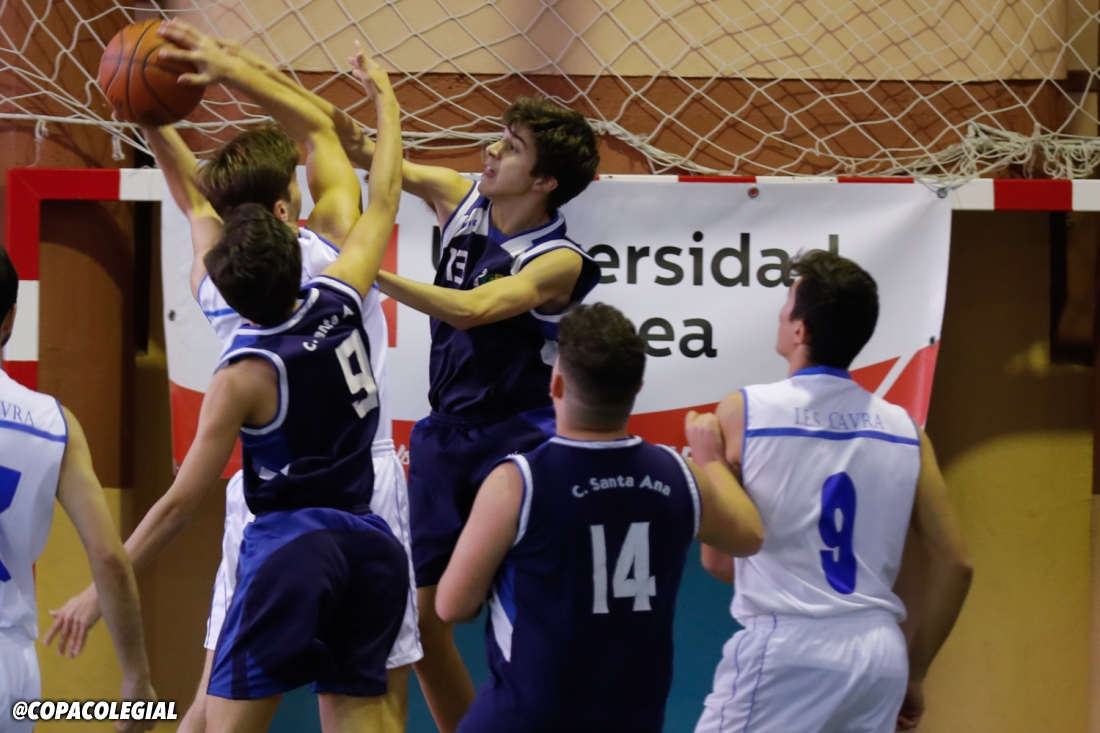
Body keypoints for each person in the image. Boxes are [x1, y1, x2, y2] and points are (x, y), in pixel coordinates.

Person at [45, 22, 420, 732]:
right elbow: (359, 171)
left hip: (275, 519)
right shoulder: (340, 273)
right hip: (366, 501)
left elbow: (194, 203)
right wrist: (383, 101)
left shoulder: (224, 317)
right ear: (285, 211)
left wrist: (145, 113)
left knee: (215, 701)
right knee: (369, 703)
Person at [325, 84, 603, 731]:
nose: (492, 152)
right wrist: (360, 106)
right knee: (422, 624)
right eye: (500, 139)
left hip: (520, 443)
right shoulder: (459, 194)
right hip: (445, 438)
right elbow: (371, 156)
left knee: (526, 614)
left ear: (545, 181)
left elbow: (474, 310)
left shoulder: (558, 260)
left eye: (512, 147)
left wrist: (362, 270)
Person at [434, 303, 764, 733]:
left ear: (555, 384)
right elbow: (750, 536)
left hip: (525, 718)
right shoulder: (678, 475)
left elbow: (452, 605)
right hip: (633, 719)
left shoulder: (518, 481)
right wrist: (713, 460)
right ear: (638, 387)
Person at [695, 250, 973, 733]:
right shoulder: (905, 429)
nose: (781, 314)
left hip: (789, 646)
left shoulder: (745, 411)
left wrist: (710, 463)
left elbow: (719, 561)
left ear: (799, 331)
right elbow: (957, 565)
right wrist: (915, 672)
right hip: (879, 654)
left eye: (787, 305)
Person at [0, 248, 157, 733]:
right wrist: (136, 678)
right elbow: (109, 558)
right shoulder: (54, 425)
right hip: (11, 665)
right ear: (10, 318)